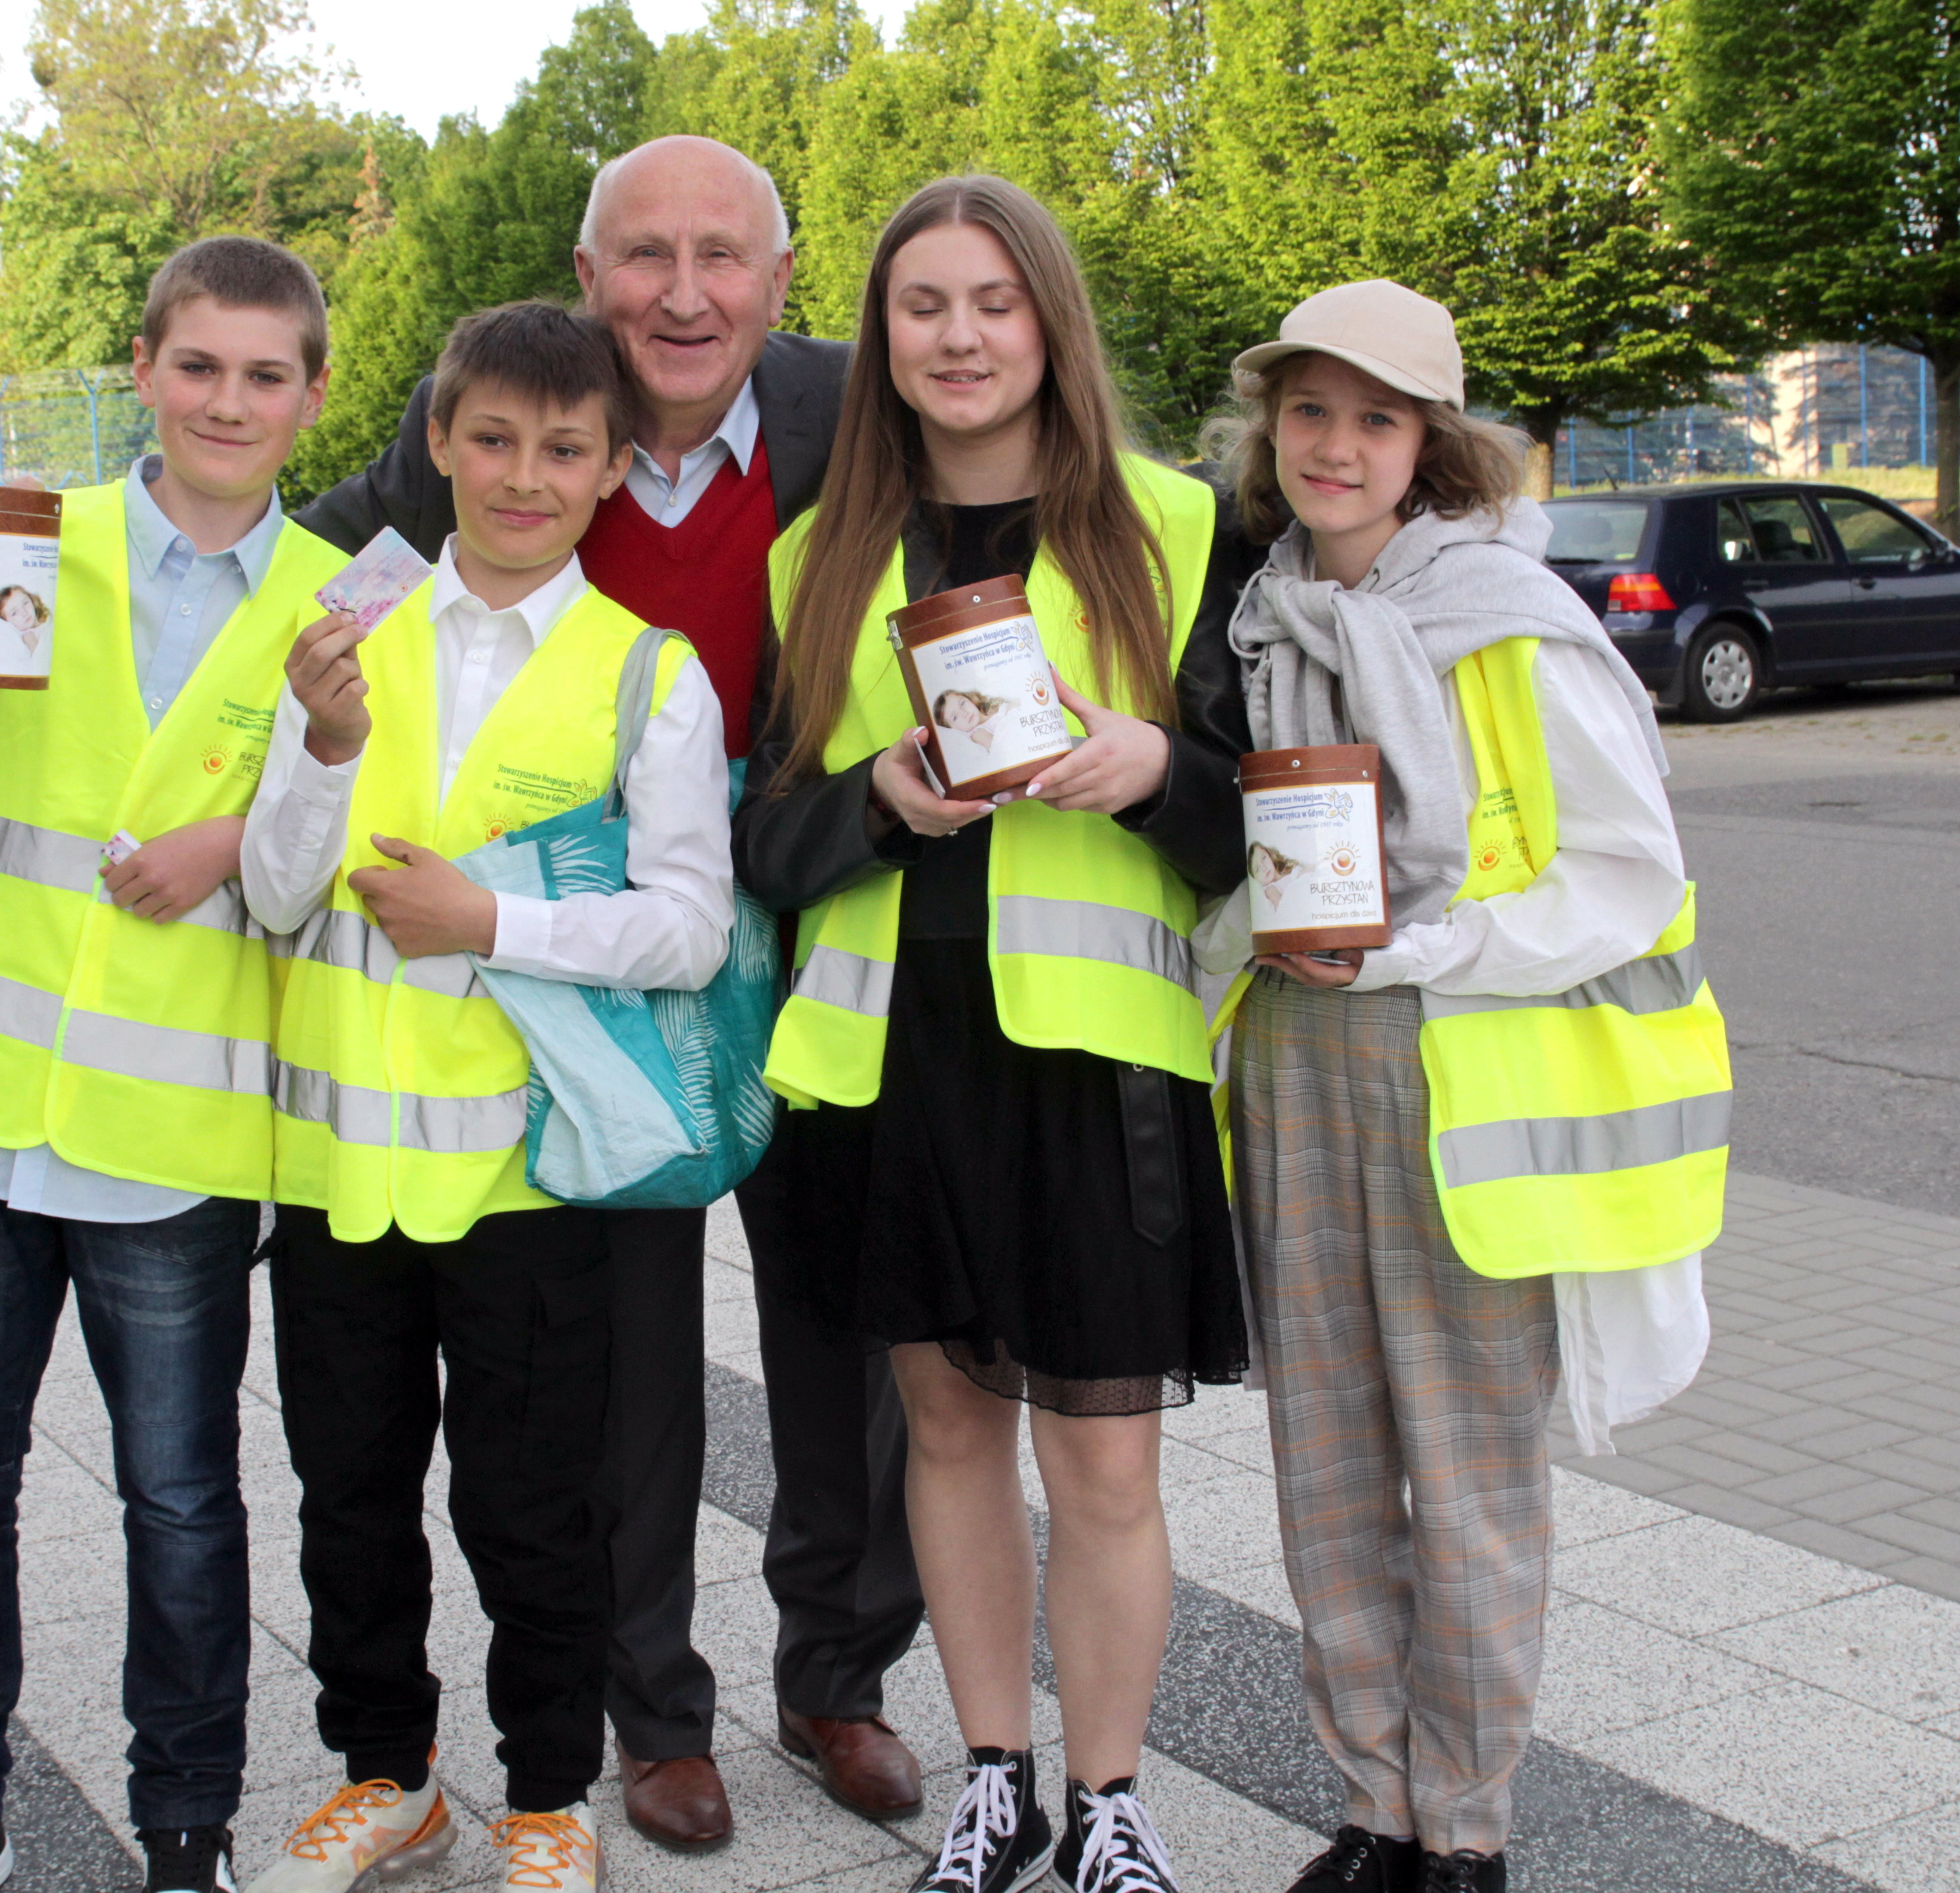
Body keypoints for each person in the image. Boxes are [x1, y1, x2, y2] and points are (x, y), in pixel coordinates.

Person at [296, 133, 927, 1851]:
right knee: (626, 1364)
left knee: (840, 1340)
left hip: (816, 929)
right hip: (598, 989)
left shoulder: (857, 419)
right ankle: (656, 1712)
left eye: (723, 255)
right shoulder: (488, 436)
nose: (684, 290)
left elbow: (1068, 493)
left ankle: (839, 1676)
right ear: (589, 277)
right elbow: (295, 589)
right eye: (645, 254)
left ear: (782, 284)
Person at [734, 174, 1255, 1893]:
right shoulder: (818, 557)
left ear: (1050, 323)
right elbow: (769, 839)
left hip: (1097, 1065)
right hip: (890, 1062)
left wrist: (1153, 770)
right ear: (879, 338)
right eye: (922, 306)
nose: (958, 337)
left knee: (1101, 1456)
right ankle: (995, 1778)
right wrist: (878, 801)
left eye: (993, 303)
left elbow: (1261, 820)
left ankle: (1110, 1800)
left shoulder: (1174, 525)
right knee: (945, 1437)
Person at [0, 236, 349, 1893]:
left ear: (311, 397)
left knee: (185, 1510)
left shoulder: (338, 602)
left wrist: (245, 825)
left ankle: (186, 1830)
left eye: (267, 374)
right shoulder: (31, 542)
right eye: (201, 366)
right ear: (144, 369)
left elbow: (330, 861)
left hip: (170, 1137)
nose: (229, 400)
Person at [1206, 281, 1726, 1893]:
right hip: (1295, 1061)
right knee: (1329, 1473)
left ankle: (1471, 1833)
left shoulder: (1510, 618)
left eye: (1376, 418)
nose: (1336, 446)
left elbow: (1627, 880)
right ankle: (1376, 1811)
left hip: (1457, 1076)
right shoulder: (1261, 614)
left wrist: (1422, 952)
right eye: (1311, 413)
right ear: (1270, 427)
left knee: (1474, 1483)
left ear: (1430, 445)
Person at [237, 300, 734, 1893]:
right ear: (439, 441)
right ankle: (389, 1779)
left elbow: (693, 926)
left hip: (530, 1188)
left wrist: (497, 923)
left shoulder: (647, 673)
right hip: (336, 1181)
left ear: (609, 470)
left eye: (565, 449)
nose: (525, 476)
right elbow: (268, 887)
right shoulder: (342, 621)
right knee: (349, 1506)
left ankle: (542, 1796)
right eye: (495, 439)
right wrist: (319, 743)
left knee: (535, 1516)